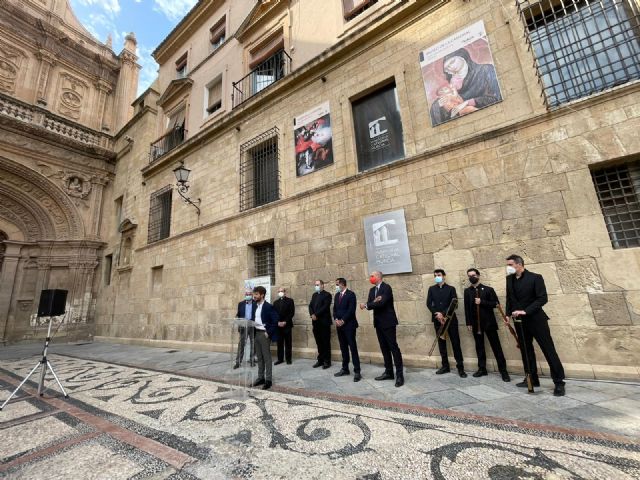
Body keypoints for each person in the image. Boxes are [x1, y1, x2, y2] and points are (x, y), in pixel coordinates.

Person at [505, 255, 566, 396]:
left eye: (510, 264)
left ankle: (559, 382)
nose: (508, 267)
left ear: (519, 264)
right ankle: (531, 379)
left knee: (548, 349)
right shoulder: (509, 279)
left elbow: (542, 298)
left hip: (536, 320)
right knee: (526, 351)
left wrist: (525, 311)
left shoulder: (535, 277)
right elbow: (509, 298)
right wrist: (508, 314)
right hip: (519, 322)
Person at [430, 47, 502, 126]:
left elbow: (495, 97)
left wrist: (467, 103)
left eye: (452, 62)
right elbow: (454, 98)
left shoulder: (485, 69)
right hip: (457, 110)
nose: (450, 67)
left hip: (485, 112)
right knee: (436, 105)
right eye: (447, 67)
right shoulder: (453, 82)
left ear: (462, 57)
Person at [464, 268, 510, 382]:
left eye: (473, 275)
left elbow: (496, 304)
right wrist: (468, 322)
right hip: (475, 324)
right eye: (469, 276)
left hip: (489, 323)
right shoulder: (467, 291)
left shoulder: (488, 289)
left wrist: (482, 302)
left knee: (496, 347)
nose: (471, 277)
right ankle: (482, 369)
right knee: (479, 347)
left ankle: (503, 371)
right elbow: (467, 308)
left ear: (478, 276)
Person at [359, 271, 404, 387]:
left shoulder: (386, 287)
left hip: (388, 322)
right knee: (384, 348)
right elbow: (371, 304)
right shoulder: (371, 290)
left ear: (378, 277)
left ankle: (399, 375)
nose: (370, 278)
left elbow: (381, 303)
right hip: (378, 323)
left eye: (372, 276)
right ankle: (389, 372)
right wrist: (372, 302)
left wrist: (368, 304)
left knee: (393, 347)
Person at [426, 269, 466, 377]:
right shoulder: (431, 289)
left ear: (444, 276)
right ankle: (445, 366)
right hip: (437, 320)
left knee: (455, 343)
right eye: (435, 276)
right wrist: (437, 314)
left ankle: (460, 367)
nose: (437, 277)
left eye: (438, 275)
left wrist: (443, 313)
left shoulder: (451, 289)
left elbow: (454, 304)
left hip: (450, 319)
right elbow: (429, 304)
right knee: (441, 343)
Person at [333, 277, 361, 382]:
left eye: (337, 284)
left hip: (349, 326)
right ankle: (345, 369)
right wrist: (336, 319)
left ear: (342, 284)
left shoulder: (351, 294)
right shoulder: (336, 295)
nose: (336, 286)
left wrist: (343, 320)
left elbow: (351, 310)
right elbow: (334, 309)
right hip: (339, 326)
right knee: (343, 348)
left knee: (352, 348)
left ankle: (357, 371)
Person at [251, 286, 279, 390]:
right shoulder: (254, 305)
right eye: (254, 294)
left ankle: (268, 380)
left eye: (256, 294)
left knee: (267, 358)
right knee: (259, 357)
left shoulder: (268, 306)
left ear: (262, 295)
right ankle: (260, 377)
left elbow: (275, 320)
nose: (254, 296)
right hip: (256, 333)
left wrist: (269, 332)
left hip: (264, 334)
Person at [308, 279, 333, 369]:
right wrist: (312, 314)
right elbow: (310, 306)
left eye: (318, 284)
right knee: (319, 342)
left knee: (325, 342)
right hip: (315, 323)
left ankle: (327, 361)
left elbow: (325, 307)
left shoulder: (327, 295)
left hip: (324, 322)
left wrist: (316, 314)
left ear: (322, 285)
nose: (316, 286)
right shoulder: (314, 295)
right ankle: (320, 360)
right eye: (315, 285)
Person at [273, 287, 295, 365]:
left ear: (285, 292)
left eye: (281, 291)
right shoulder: (275, 302)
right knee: (280, 343)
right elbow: (274, 314)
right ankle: (280, 359)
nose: (280, 292)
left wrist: (285, 321)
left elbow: (291, 313)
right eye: (279, 291)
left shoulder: (290, 301)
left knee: (288, 343)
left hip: (287, 325)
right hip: (278, 326)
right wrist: (278, 322)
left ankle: (288, 359)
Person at [234, 289, 255, 369]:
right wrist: (236, 319)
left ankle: (252, 360)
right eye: (246, 294)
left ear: (252, 295)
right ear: (245, 294)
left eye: (249, 294)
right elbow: (238, 314)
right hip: (243, 326)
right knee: (241, 345)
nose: (248, 295)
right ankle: (238, 362)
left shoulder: (255, 303)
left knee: (253, 345)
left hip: (253, 326)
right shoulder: (241, 304)